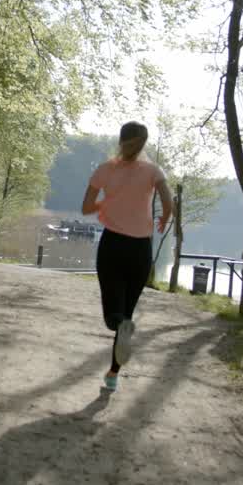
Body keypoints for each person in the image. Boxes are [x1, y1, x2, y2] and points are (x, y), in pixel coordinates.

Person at [81, 121, 173, 392]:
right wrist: (164, 219)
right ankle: (112, 374)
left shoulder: (105, 169)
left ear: (120, 140)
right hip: (140, 249)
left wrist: (106, 202)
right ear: (144, 143)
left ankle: (119, 326)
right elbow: (169, 204)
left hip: (113, 247)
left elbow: (86, 207)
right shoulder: (154, 171)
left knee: (114, 313)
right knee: (127, 312)